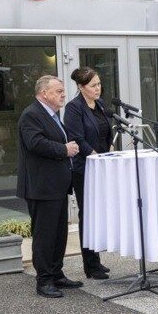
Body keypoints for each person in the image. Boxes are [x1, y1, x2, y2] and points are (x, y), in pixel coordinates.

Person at [17, 75, 81, 298]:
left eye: (63, 90)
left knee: (59, 233)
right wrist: (64, 150)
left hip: (57, 185)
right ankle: (43, 281)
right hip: (41, 187)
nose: (63, 94)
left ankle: (56, 273)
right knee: (45, 236)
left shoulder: (53, 115)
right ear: (44, 93)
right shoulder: (31, 115)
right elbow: (35, 144)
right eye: (58, 91)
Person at [62, 67, 112, 280]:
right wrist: (95, 157)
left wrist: (108, 152)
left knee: (99, 214)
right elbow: (78, 139)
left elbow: (106, 133)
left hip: (102, 165)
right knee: (88, 215)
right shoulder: (74, 108)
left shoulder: (100, 105)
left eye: (99, 84)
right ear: (81, 87)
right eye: (93, 86)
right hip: (85, 169)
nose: (98, 89)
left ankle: (97, 260)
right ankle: (90, 265)